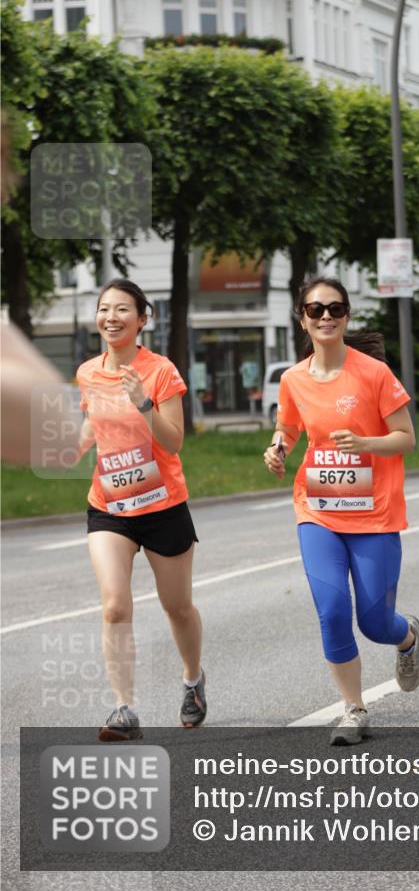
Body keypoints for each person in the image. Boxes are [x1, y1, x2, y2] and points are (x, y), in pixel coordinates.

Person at [263, 276, 419, 746]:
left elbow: (406, 438)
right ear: (303, 320)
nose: (326, 316)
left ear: (347, 316)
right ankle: (353, 709)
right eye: (316, 310)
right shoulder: (293, 379)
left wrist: (367, 443)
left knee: (375, 623)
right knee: (332, 609)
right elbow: (288, 428)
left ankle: (407, 637)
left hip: (374, 514)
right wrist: (277, 449)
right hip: (317, 510)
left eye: (335, 308)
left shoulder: (373, 374)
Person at [77, 279, 205, 739]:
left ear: (142, 320)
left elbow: (173, 441)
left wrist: (143, 403)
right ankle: (124, 709)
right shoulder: (88, 372)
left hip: (162, 504)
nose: (111, 317)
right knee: (114, 605)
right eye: (104, 309)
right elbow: (92, 427)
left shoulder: (161, 371)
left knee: (177, 606)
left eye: (122, 310)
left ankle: (192, 679)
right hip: (109, 505)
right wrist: (67, 447)